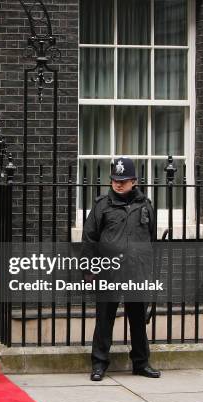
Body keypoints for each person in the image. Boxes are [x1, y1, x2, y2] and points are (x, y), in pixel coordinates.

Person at [83, 157, 161, 381]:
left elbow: (151, 238)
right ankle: (99, 364)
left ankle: (141, 363)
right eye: (115, 180)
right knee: (104, 319)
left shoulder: (145, 205)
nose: (118, 184)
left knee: (137, 319)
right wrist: (89, 268)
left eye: (124, 180)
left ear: (134, 181)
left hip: (136, 271)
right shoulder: (102, 205)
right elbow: (89, 238)